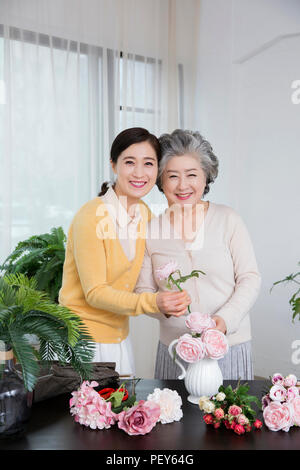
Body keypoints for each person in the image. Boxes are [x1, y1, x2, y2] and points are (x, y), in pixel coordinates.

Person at [59, 127, 190, 377]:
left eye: (149, 163)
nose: (140, 173)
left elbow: (149, 274)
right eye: (130, 162)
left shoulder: (144, 215)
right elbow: (96, 293)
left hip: (118, 338)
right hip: (81, 342)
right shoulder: (91, 217)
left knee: (122, 412)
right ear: (113, 164)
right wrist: (154, 301)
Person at [135, 129, 261, 380]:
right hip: (176, 349)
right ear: (160, 181)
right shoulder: (149, 230)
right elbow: (142, 292)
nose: (183, 185)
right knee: (176, 419)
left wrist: (225, 320)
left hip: (228, 345)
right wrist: (162, 307)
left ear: (206, 177)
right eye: (172, 176)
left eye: (191, 175)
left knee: (228, 417)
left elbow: (250, 278)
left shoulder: (228, 220)